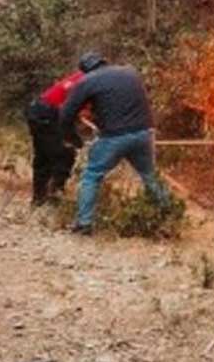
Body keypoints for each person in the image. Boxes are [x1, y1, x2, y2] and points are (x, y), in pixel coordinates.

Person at [59, 52, 169, 235]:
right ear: (104, 62)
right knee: (150, 176)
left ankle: (84, 223)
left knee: (91, 175)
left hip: (115, 137)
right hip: (144, 132)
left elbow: (66, 115)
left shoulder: (87, 81)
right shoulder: (130, 72)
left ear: (85, 70)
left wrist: (74, 139)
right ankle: (169, 217)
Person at [24, 64, 84, 205]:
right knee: (64, 155)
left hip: (38, 111)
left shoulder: (78, 78)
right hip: (48, 115)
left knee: (43, 157)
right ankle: (54, 198)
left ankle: (39, 198)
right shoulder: (86, 82)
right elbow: (71, 111)